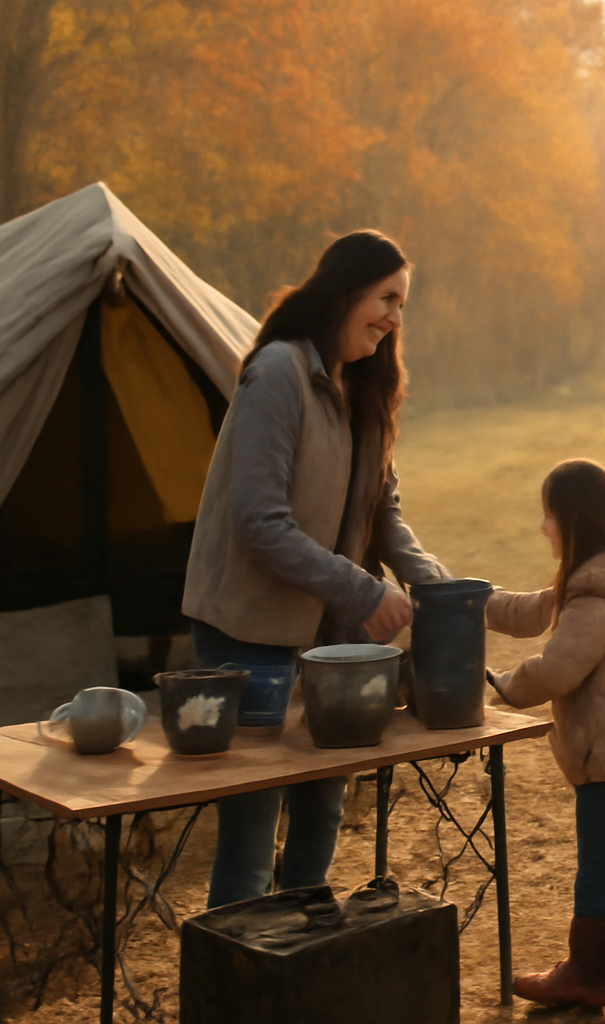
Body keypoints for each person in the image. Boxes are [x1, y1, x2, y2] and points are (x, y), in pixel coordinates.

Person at [182, 230, 451, 909]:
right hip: (248, 634)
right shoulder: (278, 372)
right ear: (345, 290)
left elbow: (382, 512)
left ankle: (298, 975)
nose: (395, 318)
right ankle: (239, 990)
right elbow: (260, 520)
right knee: (249, 841)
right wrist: (362, 590)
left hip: (332, 648)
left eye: (402, 304)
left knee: (321, 820)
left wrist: (438, 590)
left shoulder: (365, 387)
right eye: (386, 298)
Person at [486, 458, 605, 1024]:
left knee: (602, 871)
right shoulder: (594, 573)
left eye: (548, 515)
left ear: (572, 517)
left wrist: (502, 688)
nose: (542, 526)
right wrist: (469, 598)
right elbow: (529, 611)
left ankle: (588, 973)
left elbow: (562, 666)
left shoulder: (594, 583)